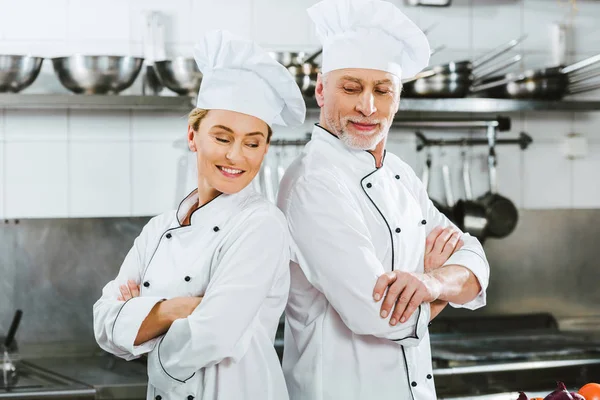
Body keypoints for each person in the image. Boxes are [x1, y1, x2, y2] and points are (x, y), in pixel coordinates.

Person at [276, 0, 490, 399]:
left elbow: (476, 262)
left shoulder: (400, 175)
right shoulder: (313, 182)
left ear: (398, 98)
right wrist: (444, 289)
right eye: (352, 87)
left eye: (382, 90)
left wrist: (429, 281)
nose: (368, 106)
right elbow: (379, 316)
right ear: (321, 90)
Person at [93, 29, 306, 400]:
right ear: (193, 135)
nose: (236, 156)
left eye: (252, 143)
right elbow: (103, 323)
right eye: (222, 138)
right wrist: (176, 309)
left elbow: (213, 334)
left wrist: (142, 321)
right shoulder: (159, 228)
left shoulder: (262, 225)